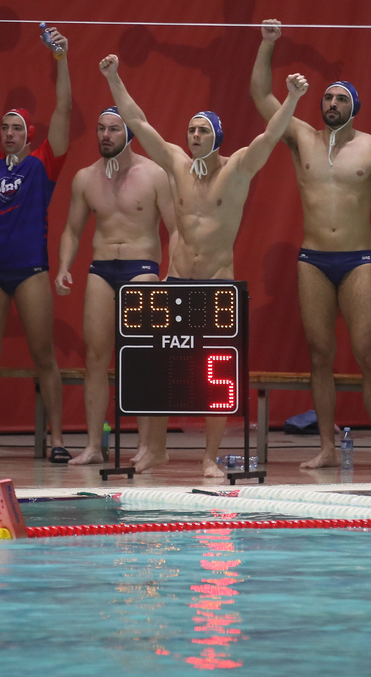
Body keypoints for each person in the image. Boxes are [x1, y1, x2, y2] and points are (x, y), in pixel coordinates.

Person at [101, 53, 308, 476]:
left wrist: (291, 98)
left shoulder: (236, 170)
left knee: (218, 380)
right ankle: (155, 449)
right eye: (191, 129)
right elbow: (137, 121)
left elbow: (270, 136)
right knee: (159, 370)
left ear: (216, 136)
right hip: (176, 280)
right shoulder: (175, 163)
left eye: (201, 130)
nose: (193, 135)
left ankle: (210, 457)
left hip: (216, 285)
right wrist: (113, 77)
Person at [250, 19, 371, 470]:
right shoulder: (301, 136)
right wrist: (268, 45)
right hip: (312, 261)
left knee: (369, 353)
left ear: (354, 107)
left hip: (357, 260)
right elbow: (259, 96)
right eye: (326, 98)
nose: (330, 103)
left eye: (339, 99)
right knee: (320, 354)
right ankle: (327, 445)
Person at [0, 27, 73, 462]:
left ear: (29, 133)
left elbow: (65, 107)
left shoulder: (45, 162)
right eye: (3, 127)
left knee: (44, 355)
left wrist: (60, 58)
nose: (7, 133)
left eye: (15, 128)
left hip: (30, 270)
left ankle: (58, 441)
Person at [55, 108, 176, 467]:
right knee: (94, 358)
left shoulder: (154, 174)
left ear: (129, 134)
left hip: (142, 267)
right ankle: (94, 445)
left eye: (113, 129)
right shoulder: (84, 178)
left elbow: (177, 228)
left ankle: (146, 446)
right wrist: (63, 266)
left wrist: (172, 273)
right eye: (101, 129)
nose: (105, 135)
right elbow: (72, 230)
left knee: (141, 361)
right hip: (101, 268)